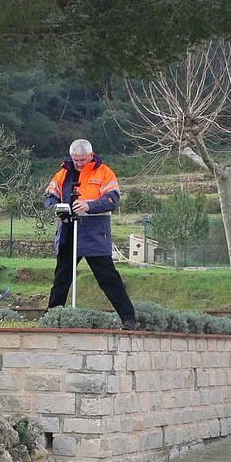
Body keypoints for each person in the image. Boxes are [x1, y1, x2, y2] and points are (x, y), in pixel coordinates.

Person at [44, 138, 137, 330]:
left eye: (82, 160)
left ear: (91, 155)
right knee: (61, 279)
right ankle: (51, 319)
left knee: (108, 278)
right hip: (68, 231)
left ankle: (129, 318)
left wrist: (89, 206)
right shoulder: (63, 173)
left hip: (95, 233)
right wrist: (57, 208)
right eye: (76, 160)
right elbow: (49, 197)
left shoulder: (104, 172)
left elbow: (112, 199)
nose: (79, 163)